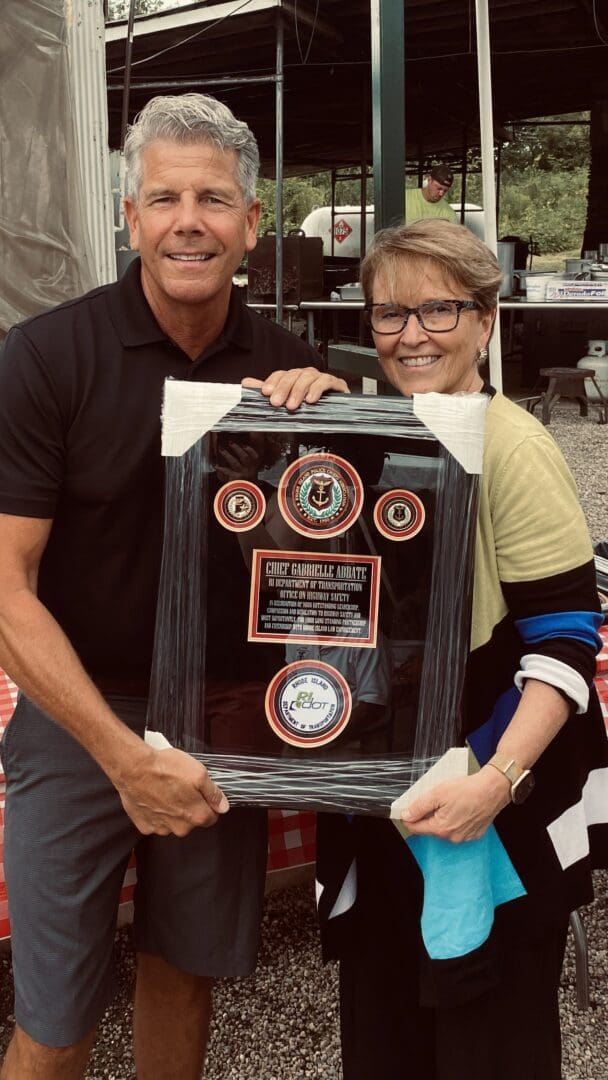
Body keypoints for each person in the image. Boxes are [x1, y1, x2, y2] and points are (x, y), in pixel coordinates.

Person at [0, 93, 341, 1079]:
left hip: (224, 711)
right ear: (129, 216)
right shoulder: (47, 356)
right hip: (78, 715)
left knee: (183, 975)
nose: (188, 219)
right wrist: (119, 755)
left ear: (251, 221)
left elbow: (323, 564)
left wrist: (338, 436)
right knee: (57, 1019)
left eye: (213, 198)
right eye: (163, 197)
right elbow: (8, 587)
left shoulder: (287, 363)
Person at [258, 218, 608, 1079]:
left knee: (489, 1043)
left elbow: (566, 646)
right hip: (387, 791)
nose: (411, 334)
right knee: (388, 1039)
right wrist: (295, 405)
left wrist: (495, 783)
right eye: (388, 315)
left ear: (487, 319)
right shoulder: (382, 430)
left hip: (493, 809)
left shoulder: (514, 447)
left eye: (439, 310)